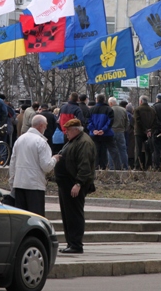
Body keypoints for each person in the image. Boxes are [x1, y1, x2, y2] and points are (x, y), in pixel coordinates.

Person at [54, 119, 95, 254]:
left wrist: (78, 183)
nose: (66, 133)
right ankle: (71, 243)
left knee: (74, 215)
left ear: (76, 130)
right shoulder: (74, 140)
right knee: (67, 215)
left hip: (74, 184)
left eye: (68, 130)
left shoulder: (84, 143)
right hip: (66, 184)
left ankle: (76, 244)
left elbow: (85, 166)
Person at [9, 115, 60, 216]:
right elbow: (46, 166)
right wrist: (55, 159)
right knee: (36, 218)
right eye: (45, 126)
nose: (46, 128)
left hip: (19, 184)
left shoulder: (19, 140)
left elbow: (12, 163)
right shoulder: (41, 142)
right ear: (41, 126)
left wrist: (12, 183)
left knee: (21, 218)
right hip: (35, 185)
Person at [88, 94, 118, 170]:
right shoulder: (109, 109)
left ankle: (95, 168)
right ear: (104, 100)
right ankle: (117, 168)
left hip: (94, 134)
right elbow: (110, 121)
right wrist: (103, 130)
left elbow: (88, 121)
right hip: (107, 133)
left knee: (96, 151)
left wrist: (93, 130)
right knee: (113, 150)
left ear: (96, 100)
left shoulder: (91, 109)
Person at [134, 96, 158, 170]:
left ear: (140, 101)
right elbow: (155, 122)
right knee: (148, 149)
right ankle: (148, 165)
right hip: (149, 133)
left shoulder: (137, 109)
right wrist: (150, 131)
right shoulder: (152, 110)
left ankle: (138, 166)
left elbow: (138, 121)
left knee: (138, 149)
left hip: (139, 132)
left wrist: (145, 130)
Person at [108, 97, 129, 170]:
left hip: (111, 132)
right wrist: (124, 129)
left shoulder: (109, 109)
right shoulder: (123, 110)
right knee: (123, 150)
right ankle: (125, 166)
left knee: (111, 150)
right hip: (121, 132)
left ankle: (112, 167)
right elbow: (127, 122)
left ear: (110, 103)